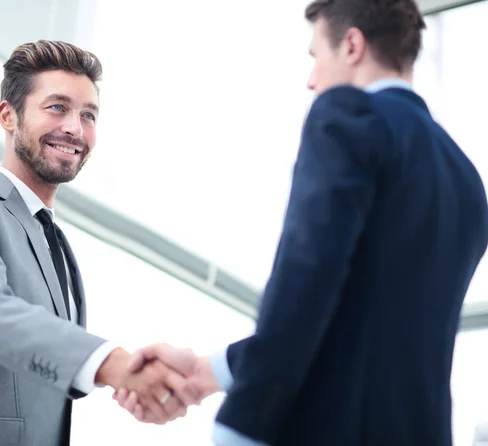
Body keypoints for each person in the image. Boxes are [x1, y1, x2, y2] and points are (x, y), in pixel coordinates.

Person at [114, 0, 488, 445]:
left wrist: (244, 420)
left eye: (315, 56)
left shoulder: (349, 115)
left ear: (351, 45)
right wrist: (201, 373)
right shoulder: (467, 179)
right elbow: (357, 315)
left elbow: (307, 278)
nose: (312, 80)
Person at [0, 40, 195, 446]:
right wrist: (114, 364)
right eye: (57, 107)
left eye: (89, 115)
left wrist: (132, 382)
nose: (75, 127)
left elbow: (45, 369)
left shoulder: (60, 250)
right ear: (8, 115)